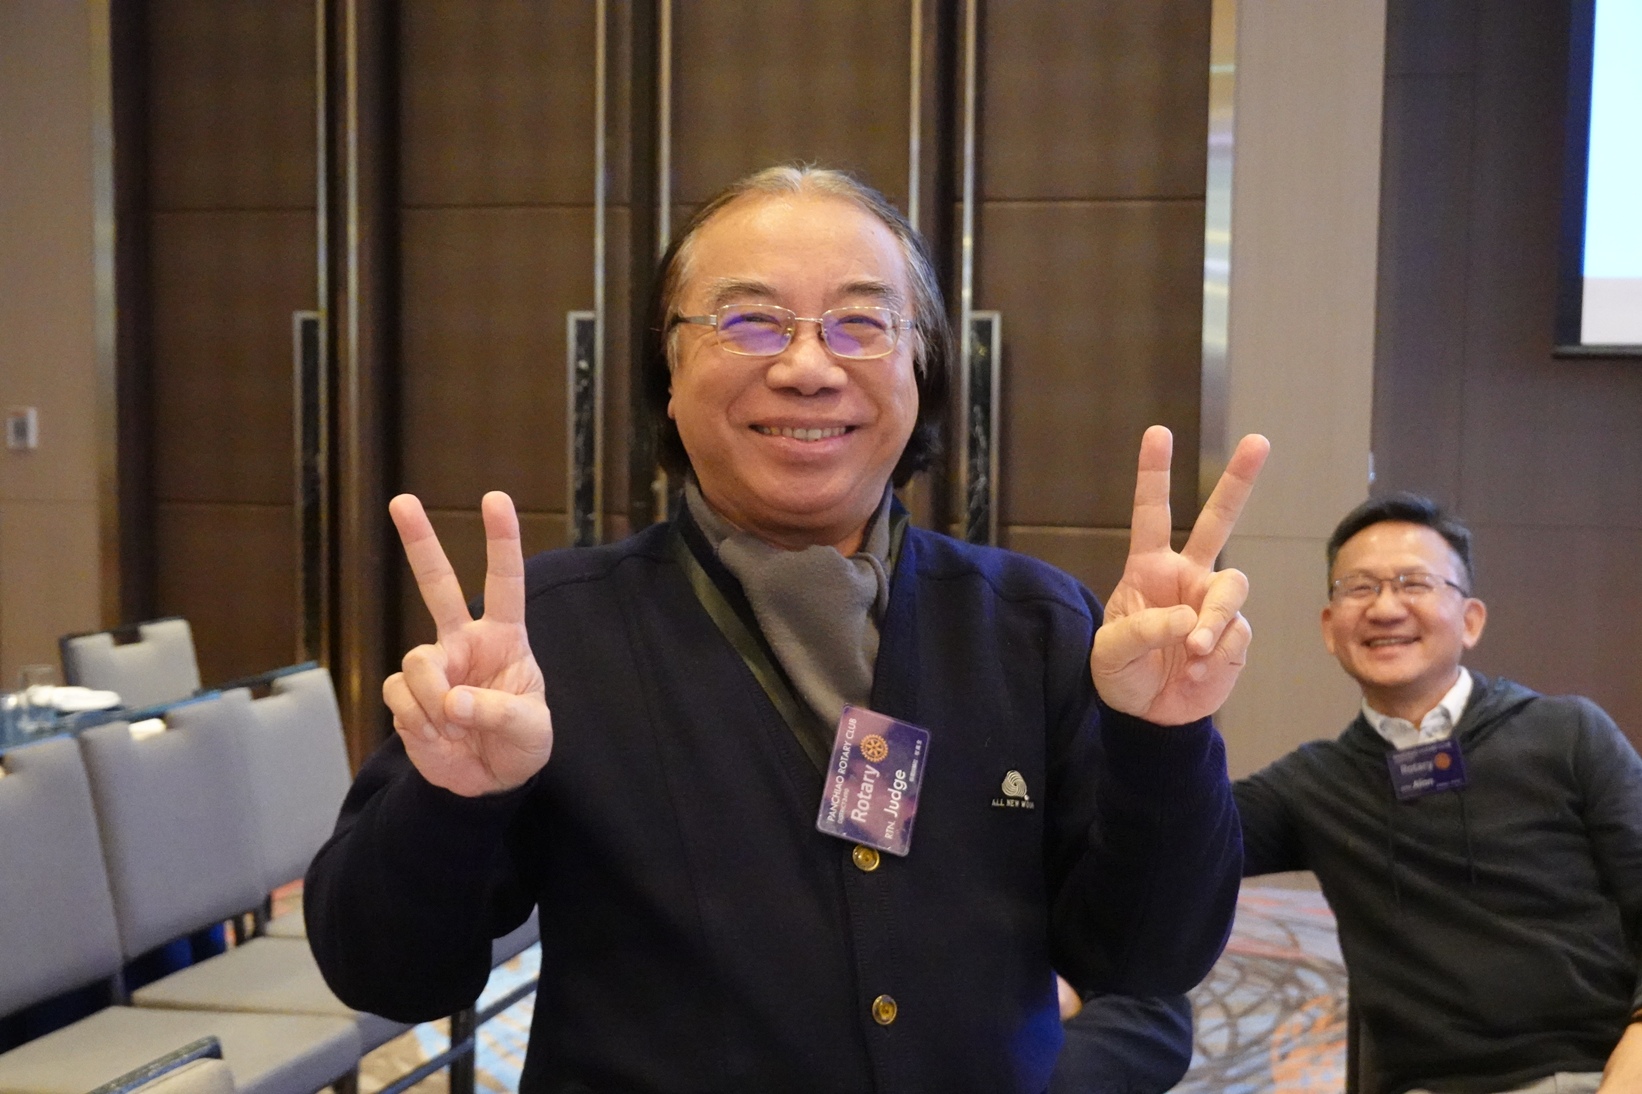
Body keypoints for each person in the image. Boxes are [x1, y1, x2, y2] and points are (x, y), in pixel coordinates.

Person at [306, 165, 1270, 1093]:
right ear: (668, 368)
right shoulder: (549, 638)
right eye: (748, 320)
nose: (808, 368)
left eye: (862, 323)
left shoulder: (1034, 625)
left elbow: (1145, 957)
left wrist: (1163, 741)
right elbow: (386, 974)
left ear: (923, 366)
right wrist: (451, 803)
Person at [1233, 493, 1642, 1094]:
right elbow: (1175, 844)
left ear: (1470, 620)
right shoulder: (1314, 785)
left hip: (1593, 1071)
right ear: (1329, 628)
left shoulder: (1569, 733)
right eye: (1359, 588)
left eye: (1413, 583)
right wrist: (1169, 717)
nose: (1385, 608)